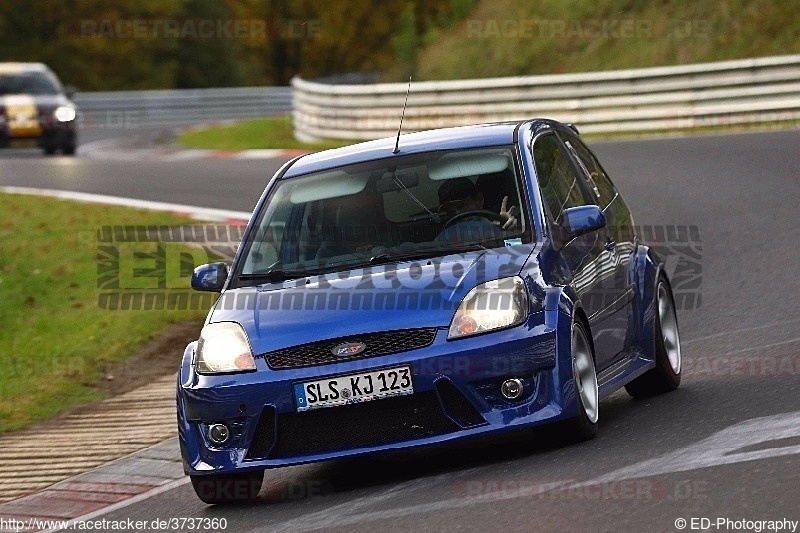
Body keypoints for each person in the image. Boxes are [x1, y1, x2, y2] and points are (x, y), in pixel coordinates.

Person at [437, 177, 517, 229]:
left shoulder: (496, 226)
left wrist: (507, 226)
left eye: (462, 206)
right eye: (451, 212)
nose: (458, 214)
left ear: (479, 199)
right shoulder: (445, 239)